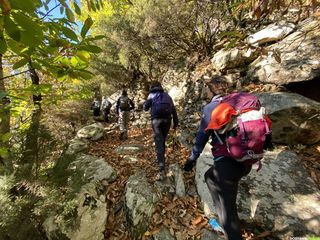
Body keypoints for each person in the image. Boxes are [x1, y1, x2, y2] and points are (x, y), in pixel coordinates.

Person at [183, 76, 251, 240]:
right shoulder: (238, 101)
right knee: (209, 177)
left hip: (227, 164)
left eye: (207, 88)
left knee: (229, 213)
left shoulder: (211, 108)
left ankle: (228, 227)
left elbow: (201, 138)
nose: (205, 91)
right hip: (247, 160)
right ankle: (224, 219)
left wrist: (191, 160)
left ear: (212, 88)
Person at [143, 81, 179, 181]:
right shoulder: (167, 95)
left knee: (158, 142)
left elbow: (145, 108)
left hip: (156, 121)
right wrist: (175, 124)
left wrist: (145, 104)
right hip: (167, 120)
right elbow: (174, 110)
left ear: (152, 87)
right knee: (162, 140)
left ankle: (161, 168)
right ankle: (161, 158)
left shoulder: (151, 95)